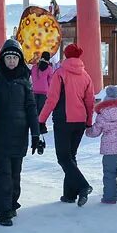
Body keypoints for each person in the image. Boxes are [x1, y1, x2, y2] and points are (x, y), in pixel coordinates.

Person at [0, 40, 44, 226]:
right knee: (3, 174)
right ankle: (2, 212)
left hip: (19, 134)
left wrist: (35, 134)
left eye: (14, 58)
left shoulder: (24, 78)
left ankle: (11, 203)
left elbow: (31, 107)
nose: (11, 61)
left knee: (15, 173)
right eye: (8, 58)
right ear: (2, 59)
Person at [37, 43, 96, 207]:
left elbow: (52, 100)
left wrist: (41, 119)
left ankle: (83, 186)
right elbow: (90, 102)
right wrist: (89, 121)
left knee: (63, 158)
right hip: (80, 121)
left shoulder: (60, 73)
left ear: (66, 56)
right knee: (71, 157)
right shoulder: (86, 76)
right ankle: (69, 194)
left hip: (63, 120)